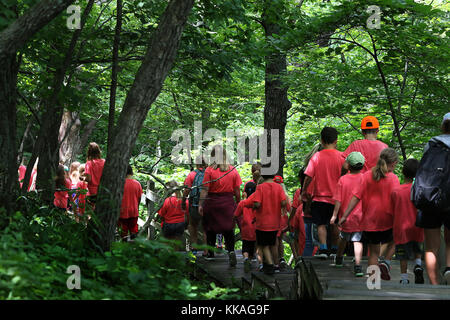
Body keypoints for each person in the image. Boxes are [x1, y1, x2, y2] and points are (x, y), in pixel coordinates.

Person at [341, 148, 400, 280]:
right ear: (393, 163)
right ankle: (386, 262)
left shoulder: (367, 175)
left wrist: (345, 215)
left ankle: (373, 283)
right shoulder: (393, 178)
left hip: (369, 221)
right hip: (387, 220)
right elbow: (397, 200)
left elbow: (356, 196)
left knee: (373, 253)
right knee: (396, 239)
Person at [415, 112, 450, 285]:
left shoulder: (432, 144)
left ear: (443, 125)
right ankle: (449, 269)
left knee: (431, 247)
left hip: (431, 197)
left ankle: (434, 284)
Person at [302, 127, 344, 258]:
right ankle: (335, 250)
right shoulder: (342, 157)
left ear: (321, 140)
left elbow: (308, 176)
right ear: (336, 141)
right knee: (335, 225)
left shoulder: (317, 157)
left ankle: (324, 249)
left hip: (320, 197)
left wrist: (304, 190)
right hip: (336, 198)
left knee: (321, 224)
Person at [198, 145, 242, 267]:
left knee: (210, 228)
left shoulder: (209, 170)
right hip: (227, 202)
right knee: (229, 228)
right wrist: (238, 202)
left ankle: (211, 254)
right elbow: (237, 189)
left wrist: (201, 204)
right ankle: (231, 251)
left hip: (212, 202)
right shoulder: (232, 170)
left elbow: (205, 189)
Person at [330, 152, 365, 277]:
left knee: (343, 238)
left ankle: (339, 258)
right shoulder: (365, 179)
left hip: (345, 217)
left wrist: (334, 215)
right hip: (360, 217)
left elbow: (338, 200)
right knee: (357, 241)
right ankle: (358, 265)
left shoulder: (343, 179)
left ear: (348, 165)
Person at [250, 163, 287, 275]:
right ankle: (276, 265)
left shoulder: (260, 187)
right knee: (273, 244)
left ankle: (269, 264)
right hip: (275, 222)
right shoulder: (278, 187)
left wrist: (253, 206)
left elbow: (257, 203)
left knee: (263, 244)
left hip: (262, 222)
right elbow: (284, 202)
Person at [391, 159, 424, 284]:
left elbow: (392, 210)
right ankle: (418, 265)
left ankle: (404, 279)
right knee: (417, 249)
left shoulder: (396, 191)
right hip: (417, 226)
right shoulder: (419, 191)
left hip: (401, 227)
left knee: (402, 254)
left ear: (403, 172)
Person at [182, 156, 207, 256]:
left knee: (193, 226)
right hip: (207, 204)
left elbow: (187, 190)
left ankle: (194, 248)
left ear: (196, 164)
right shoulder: (209, 173)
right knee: (206, 228)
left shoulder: (192, 175)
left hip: (194, 204)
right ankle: (206, 250)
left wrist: (183, 201)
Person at [234, 181, 257, 272]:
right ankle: (251, 260)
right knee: (253, 246)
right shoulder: (257, 203)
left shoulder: (243, 203)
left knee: (246, 246)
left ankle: (246, 259)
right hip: (256, 227)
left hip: (246, 228)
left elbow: (236, 215)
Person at [158, 180, 189, 246]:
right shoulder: (184, 201)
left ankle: (168, 255)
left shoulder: (167, 201)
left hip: (168, 224)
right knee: (176, 244)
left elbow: (161, 215)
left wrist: (162, 221)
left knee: (167, 243)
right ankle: (175, 254)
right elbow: (187, 213)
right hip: (180, 224)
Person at [118, 165, 143, 241]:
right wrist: (137, 207)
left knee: (123, 232)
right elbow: (139, 198)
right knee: (133, 231)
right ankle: (134, 248)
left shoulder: (119, 184)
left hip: (122, 211)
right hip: (134, 211)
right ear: (131, 173)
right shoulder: (137, 184)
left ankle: (123, 248)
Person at [273, 175, 290, 271]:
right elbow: (290, 210)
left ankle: (275, 261)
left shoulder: (273, 194)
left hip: (274, 219)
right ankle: (281, 258)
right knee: (280, 240)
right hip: (283, 220)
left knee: (275, 241)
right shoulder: (286, 196)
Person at [83, 142, 105, 208]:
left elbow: (89, 179)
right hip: (102, 189)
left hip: (92, 191)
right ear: (98, 151)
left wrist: (82, 178)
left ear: (89, 152)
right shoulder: (104, 162)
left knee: (91, 210)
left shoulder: (89, 163)